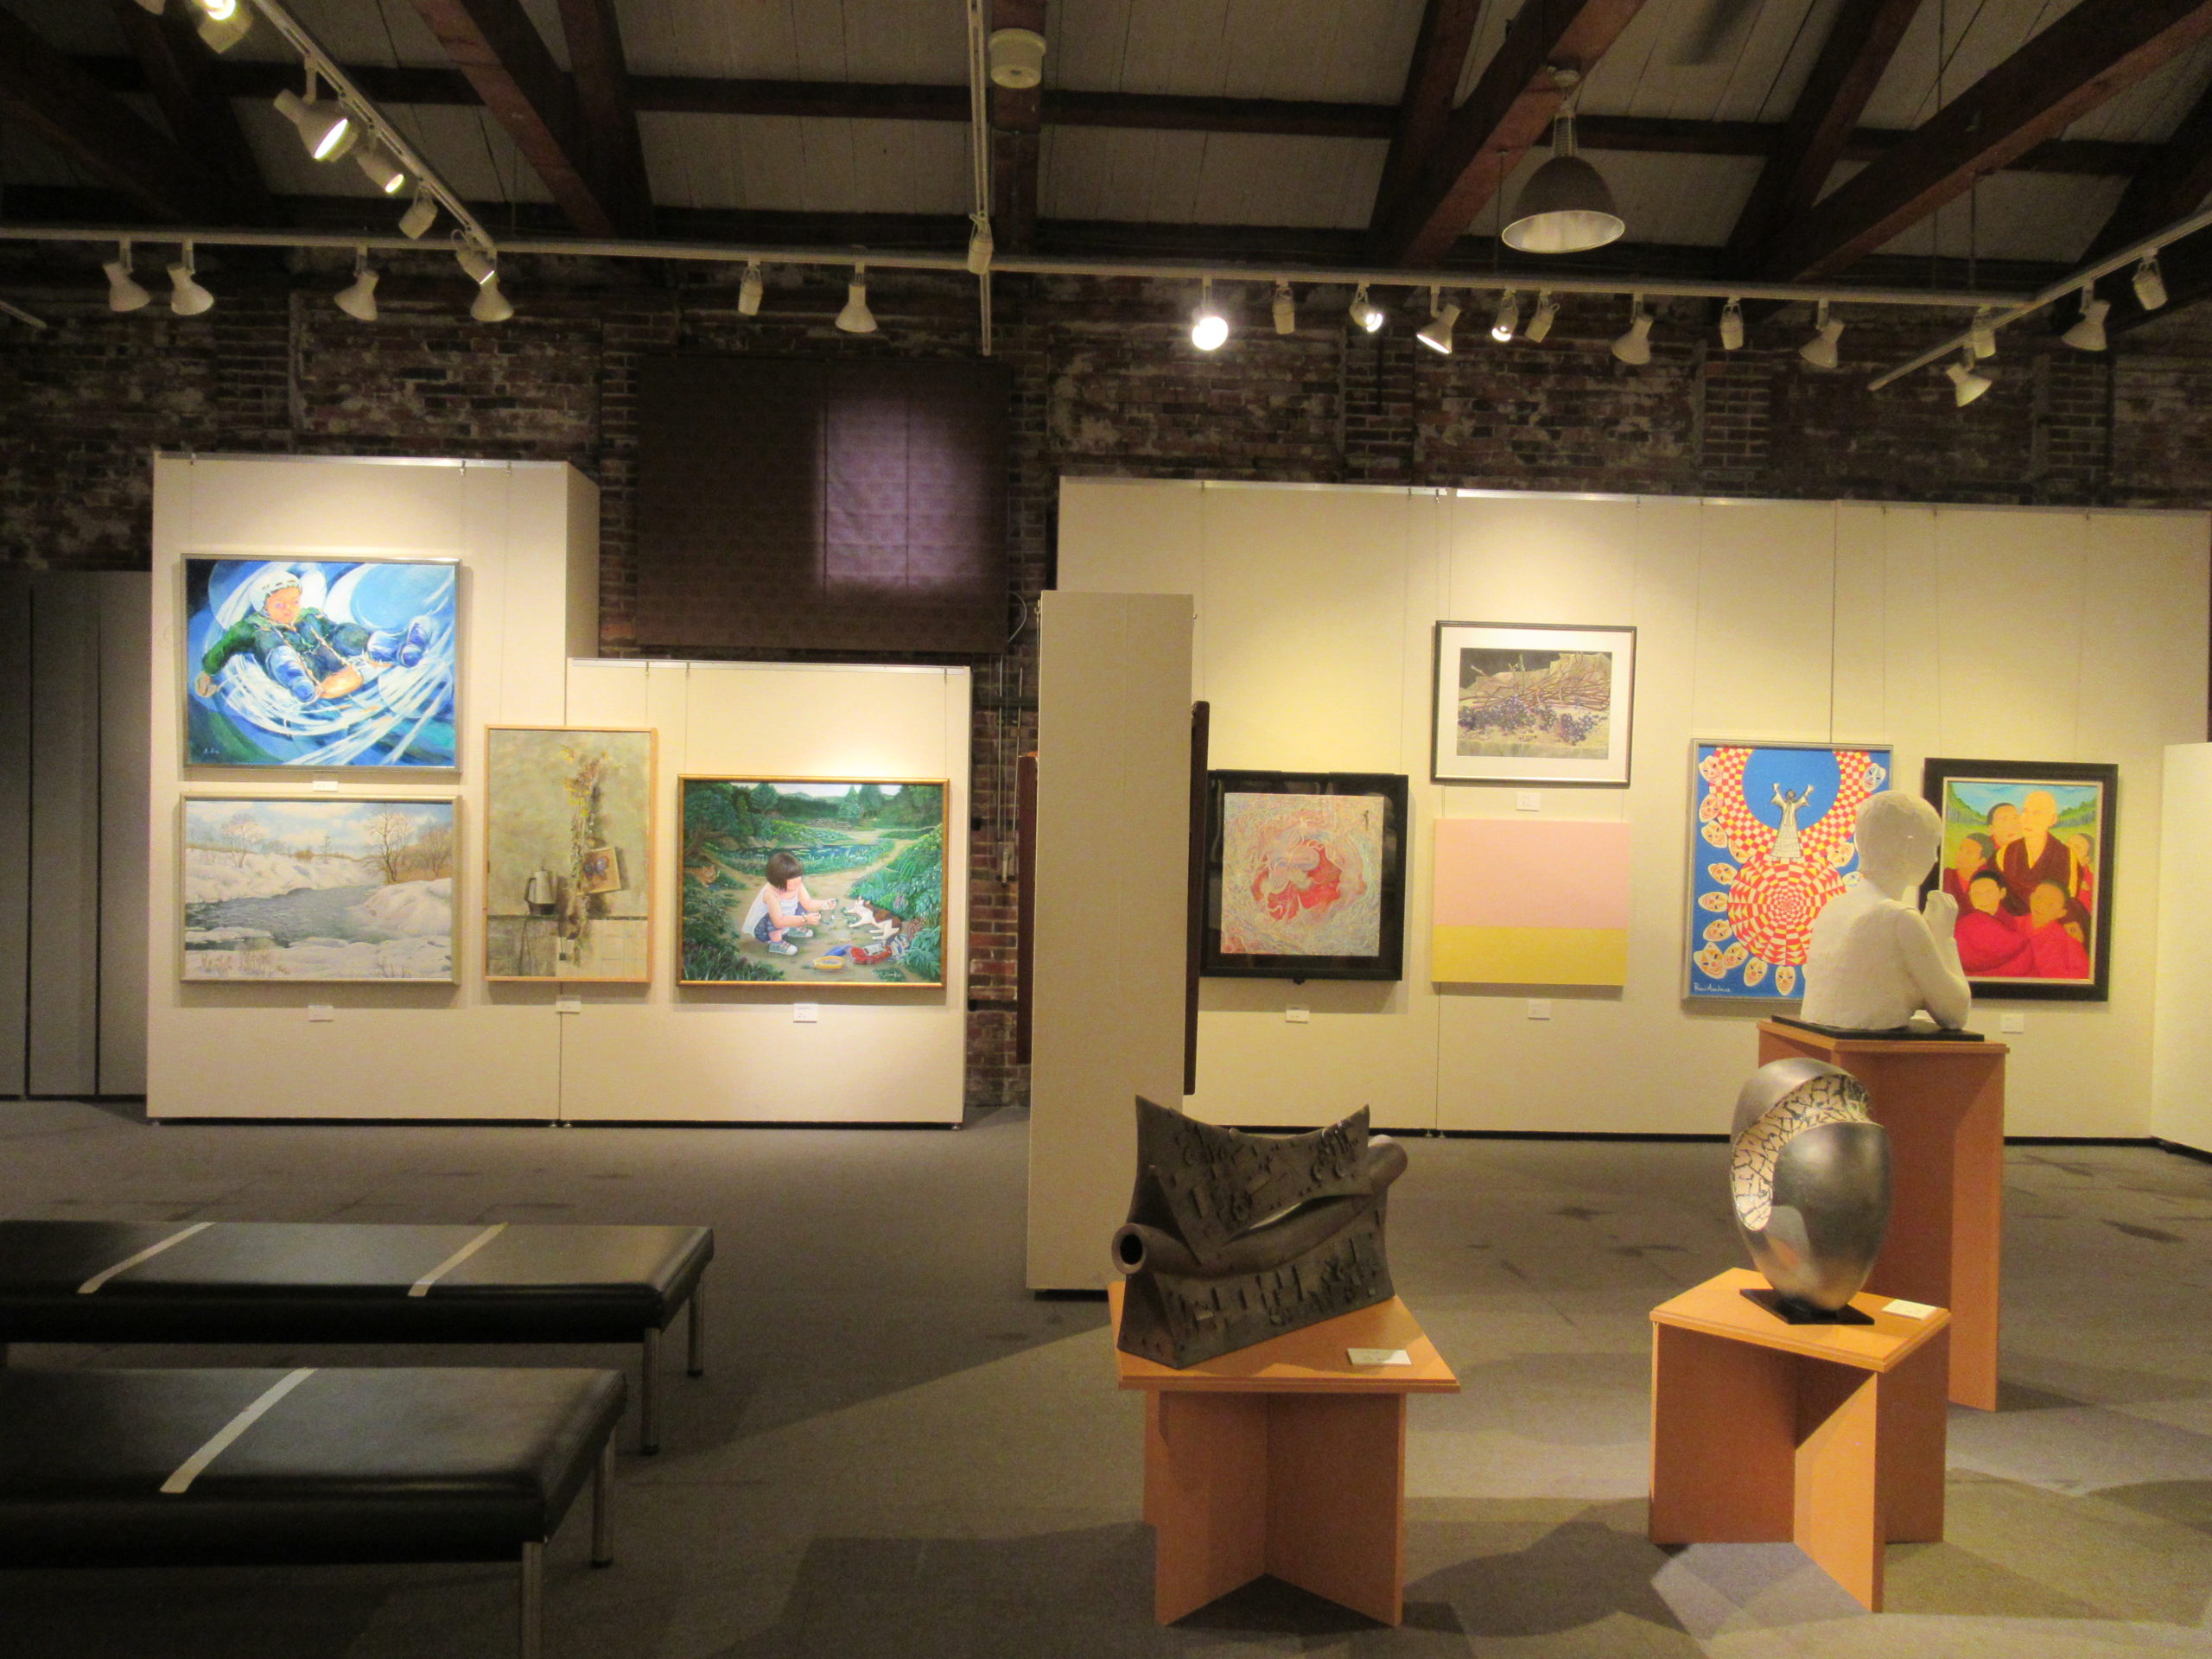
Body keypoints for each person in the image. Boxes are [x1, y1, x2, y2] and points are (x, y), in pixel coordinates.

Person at [1798, 791, 1971, 1031]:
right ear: (1908, 847)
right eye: (1933, 845)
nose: (1935, 858)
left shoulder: (1834, 908)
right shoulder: (1900, 918)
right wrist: (1942, 938)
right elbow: (1954, 1014)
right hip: (1871, 1047)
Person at [193, 568, 434, 706]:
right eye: (280, 605)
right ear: (264, 606)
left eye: (294, 602)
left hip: (331, 660)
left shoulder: (308, 615)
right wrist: (206, 674)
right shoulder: (251, 628)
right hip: (304, 669)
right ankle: (297, 680)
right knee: (270, 642)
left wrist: (365, 650)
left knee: (344, 633)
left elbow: (337, 635)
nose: (289, 609)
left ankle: (397, 648)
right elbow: (222, 650)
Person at [1997, 791, 2074, 918]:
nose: (2028, 819)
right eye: (2025, 811)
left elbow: (2069, 903)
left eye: (2037, 813)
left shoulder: (2066, 855)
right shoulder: (2005, 853)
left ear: (2053, 819)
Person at [739, 850, 823, 957]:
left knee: (801, 904)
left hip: (785, 921)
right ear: (778, 878)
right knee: (772, 916)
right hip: (765, 929)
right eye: (791, 878)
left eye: (798, 876)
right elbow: (778, 921)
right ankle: (776, 943)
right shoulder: (770, 893)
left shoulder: (797, 885)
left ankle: (793, 929)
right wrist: (805, 919)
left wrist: (824, 904)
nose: (797, 880)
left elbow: (808, 903)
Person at [1954, 870, 2036, 976]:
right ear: (1970, 896)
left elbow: (2024, 961)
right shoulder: (1963, 926)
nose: (1983, 899)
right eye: (1976, 894)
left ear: (2002, 893)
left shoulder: (2017, 924)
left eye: (1989, 892)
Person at [2020, 878, 2092, 979]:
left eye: (2050, 904)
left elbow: (2084, 973)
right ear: (2031, 897)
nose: (2041, 906)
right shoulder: (2014, 924)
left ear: (2061, 913)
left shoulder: (2066, 939)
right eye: (2039, 898)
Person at [1942, 833, 1998, 910]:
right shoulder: (1946, 875)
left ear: (1981, 861)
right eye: (1961, 849)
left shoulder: (1988, 882)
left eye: (1969, 853)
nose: (1961, 855)